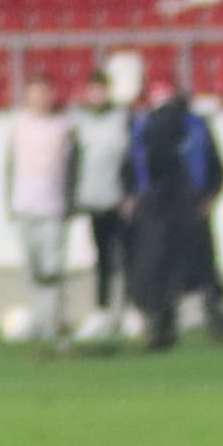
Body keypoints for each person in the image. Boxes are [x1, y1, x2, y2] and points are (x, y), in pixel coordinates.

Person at [126, 68, 223, 350]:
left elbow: (133, 170)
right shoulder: (194, 125)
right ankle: (210, 321)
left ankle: (165, 327)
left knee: (162, 271)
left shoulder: (144, 126)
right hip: (181, 207)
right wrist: (210, 196)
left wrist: (134, 197)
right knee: (198, 271)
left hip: (167, 209)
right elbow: (218, 168)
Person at [3, 78, 78, 353]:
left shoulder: (64, 128)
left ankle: (53, 323)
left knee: (52, 269)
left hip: (52, 208)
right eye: (34, 94)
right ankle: (39, 318)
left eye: (43, 94)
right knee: (34, 269)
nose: (39, 99)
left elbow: (73, 168)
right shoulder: (19, 126)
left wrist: (70, 203)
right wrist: (9, 203)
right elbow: (10, 167)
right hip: (25, 207)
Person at [75, 65, 134, 322]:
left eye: (101, 90)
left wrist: (130, 192)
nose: (97, 95)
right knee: (102, 259)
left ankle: (130, 310)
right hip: (94, 199)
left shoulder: (122, 119)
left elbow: (131, 159)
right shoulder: (80, 121)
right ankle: (102, 311)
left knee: (127, 256)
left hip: (119, 198)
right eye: (93, 90)